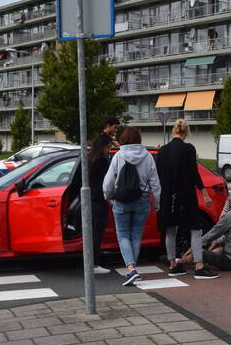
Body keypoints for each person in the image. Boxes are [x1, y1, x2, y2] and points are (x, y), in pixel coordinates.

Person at [156, 119, 216, 279]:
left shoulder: (162, 151)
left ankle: (173, 265)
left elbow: (158, 175)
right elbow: (194, 173)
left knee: (170, 230)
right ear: (186, 132)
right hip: (186, 195)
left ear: (174, 131)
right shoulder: (188, 149)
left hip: (168, 196)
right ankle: (199, 266)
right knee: (195, 229)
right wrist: (204, 192)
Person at [103, 127, 160, 286]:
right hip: (142, 198)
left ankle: (131, 269)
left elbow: (108, 181)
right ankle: (132, 269)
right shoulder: (148, 157)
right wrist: (156, 203)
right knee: (136, 235)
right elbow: (155, 183)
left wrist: (107, 196)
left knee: (122, 234)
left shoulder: (119, 156)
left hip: (121, 200)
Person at [85, 132, 114, 275]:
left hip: (90, 199)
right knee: (97, 233)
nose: (109, 150)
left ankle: (91, 262)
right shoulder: (102, 160)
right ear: (102, 146)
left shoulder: (90, 157)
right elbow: (108, 181)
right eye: (108, 147)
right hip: (100, 199)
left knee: (92, 233)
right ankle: (94, 264)